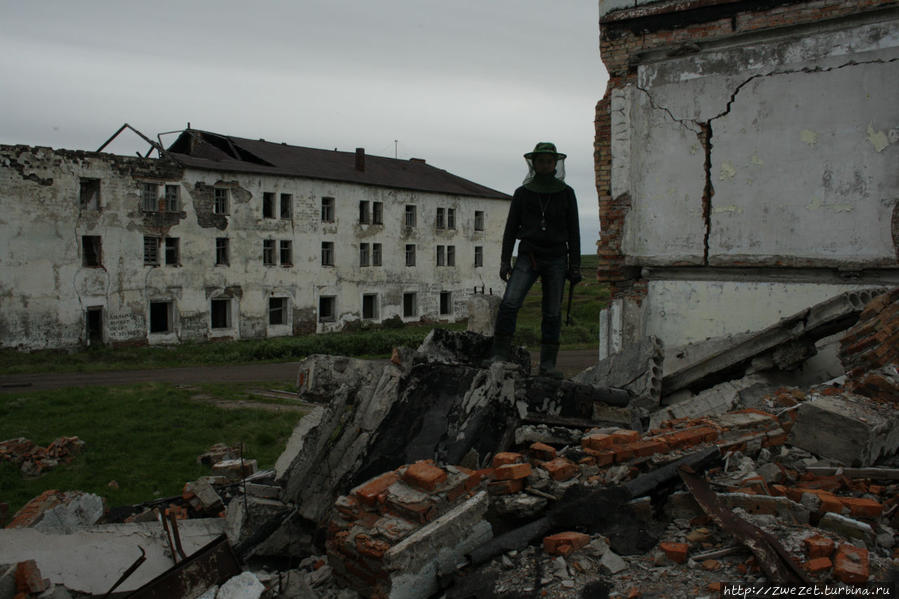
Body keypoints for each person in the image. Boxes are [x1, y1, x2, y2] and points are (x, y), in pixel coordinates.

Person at [490, 142, 581, 378]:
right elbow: (511, 229)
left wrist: (576, 266)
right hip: (528, 256)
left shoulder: (566, 193)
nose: (544, 164)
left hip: (557, 258)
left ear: (555, 164)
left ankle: (548, 364)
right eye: (540, 160)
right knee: (509, 303)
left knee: (552, 313)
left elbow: (574, 231)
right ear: (534, 163)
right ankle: (499, 354)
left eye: (549, 161)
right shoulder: (523, 193)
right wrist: (504, 260)